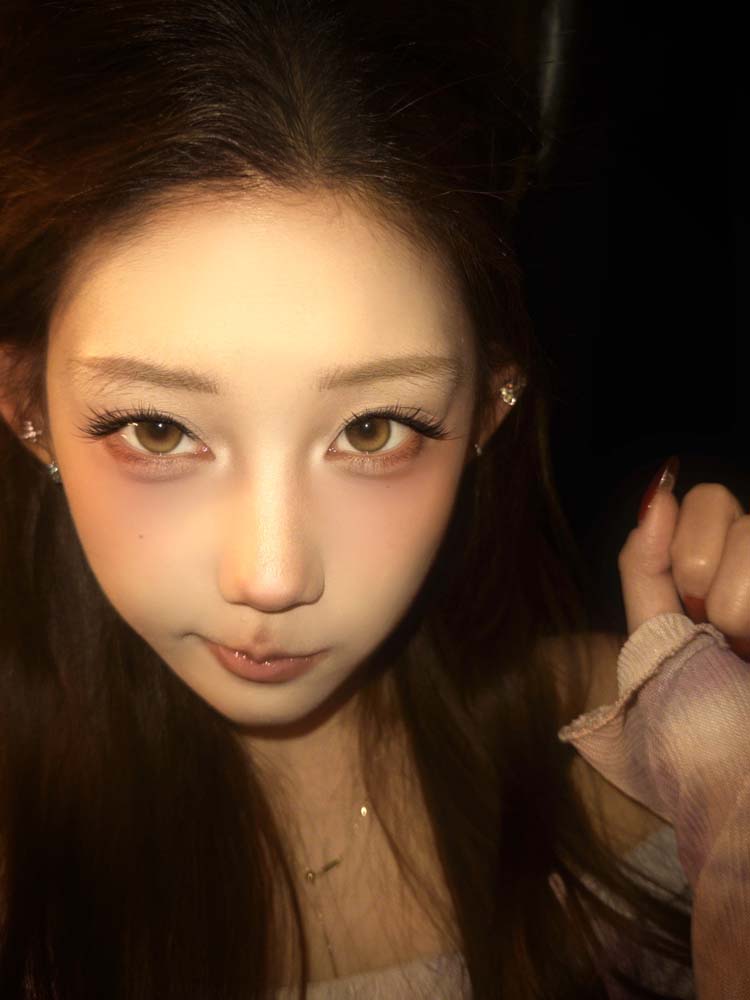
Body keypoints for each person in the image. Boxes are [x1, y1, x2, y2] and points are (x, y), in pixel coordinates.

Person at [0, 2, 747, 998]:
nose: (271, 578)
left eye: (371, 429)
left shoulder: (643, 761)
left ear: (487, 409)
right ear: (27, 407)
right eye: (159, 429)